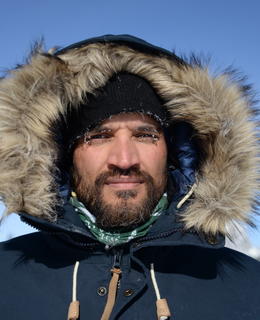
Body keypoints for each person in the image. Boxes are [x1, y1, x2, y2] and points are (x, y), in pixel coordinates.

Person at [0, 34, 259, 320]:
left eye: (145, 135)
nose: (124, 160)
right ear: (64, 155)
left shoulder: (249, 288)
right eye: (99, 136)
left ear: (173, 151)